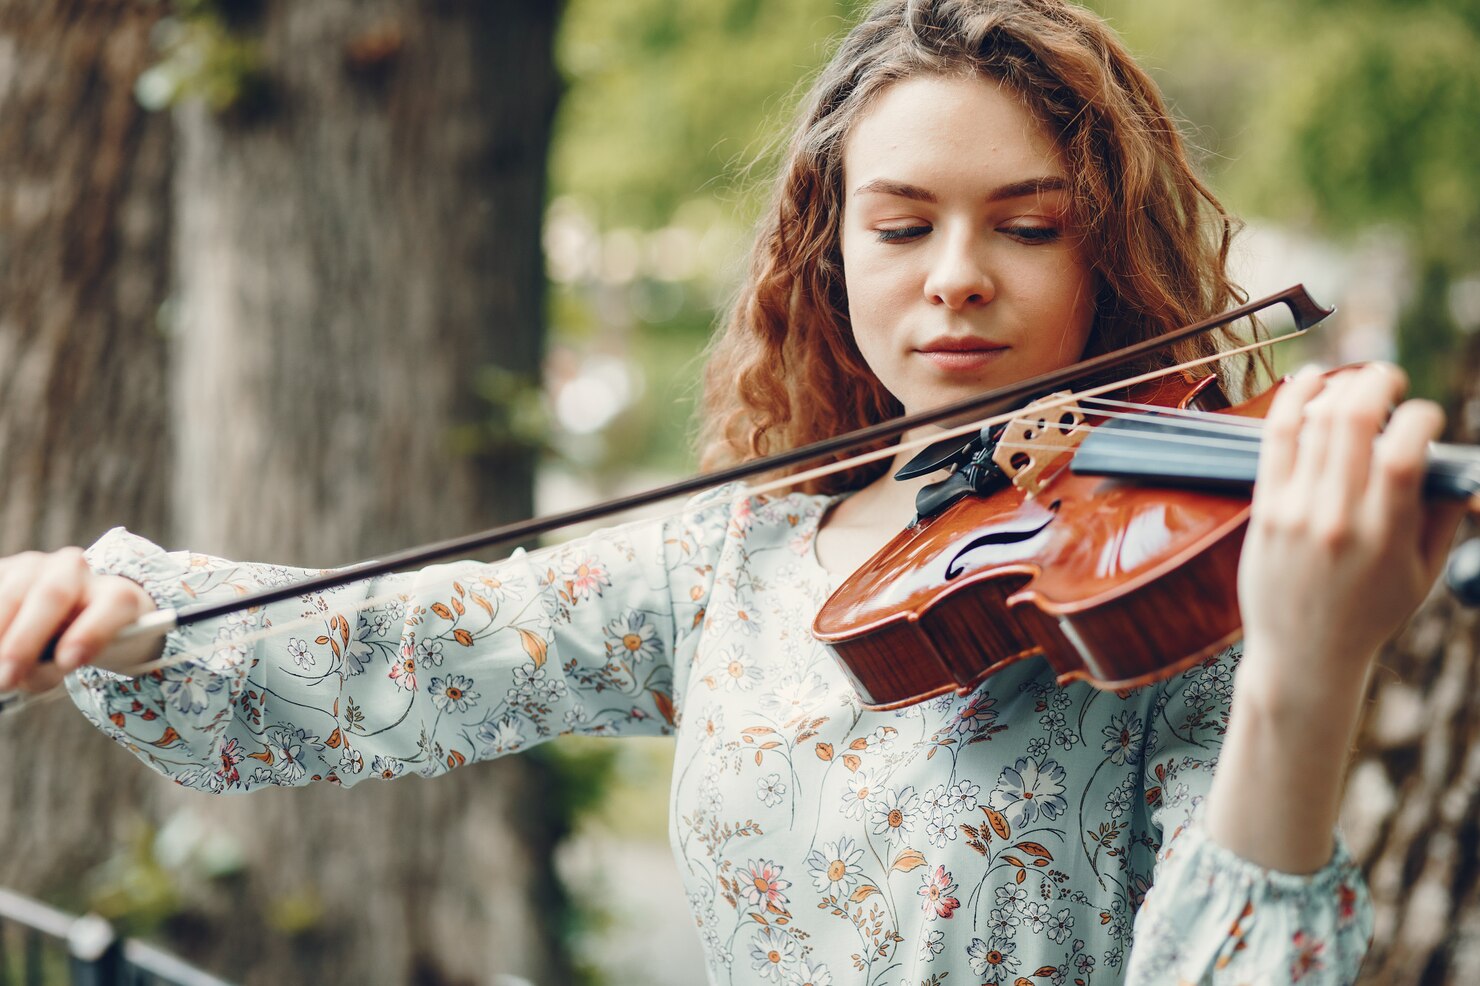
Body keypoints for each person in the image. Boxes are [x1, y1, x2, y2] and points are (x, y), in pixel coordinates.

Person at [0, 1, 1465, 982]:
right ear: (831, 254)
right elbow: (421, 642)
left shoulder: (1171, 597)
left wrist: (1307, 661)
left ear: (1100, 256)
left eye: (1027, 224)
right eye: (902, 225)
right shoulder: (738, 557)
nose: (958, 272)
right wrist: (142, 618)